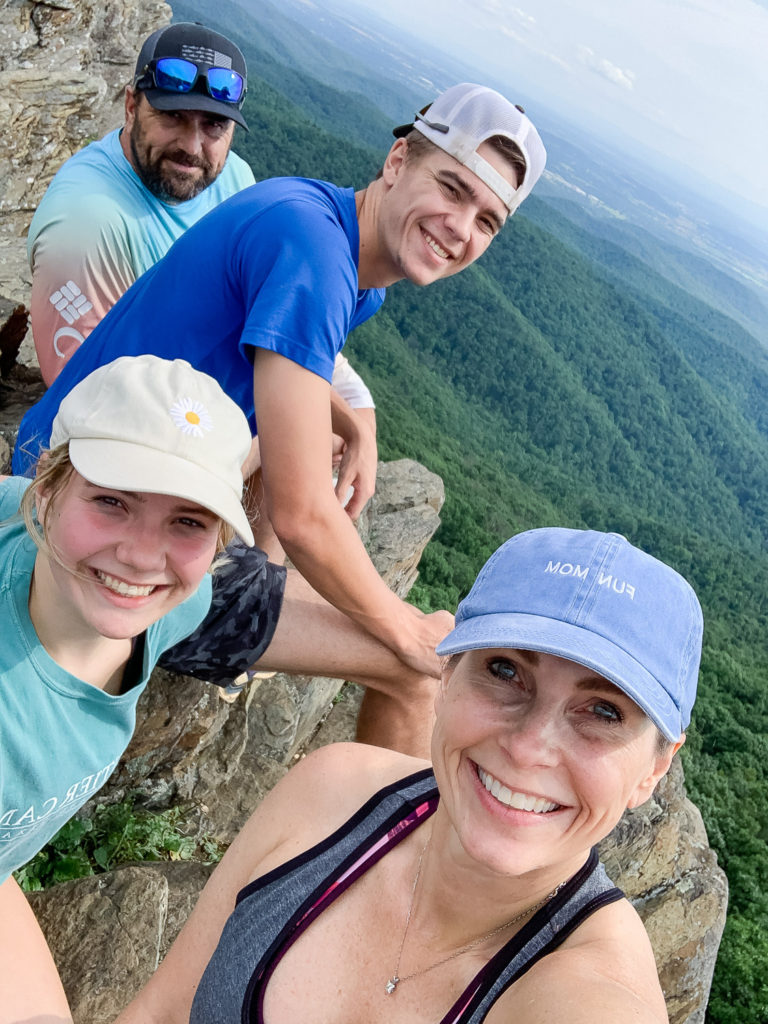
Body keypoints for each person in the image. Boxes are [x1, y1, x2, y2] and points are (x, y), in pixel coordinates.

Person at [14, 82, 547, 755]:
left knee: (312, 438)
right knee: (420, 674)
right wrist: (403, 628)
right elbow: (302, 515)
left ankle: (250, 595)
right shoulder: (315, 253)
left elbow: (289, 354)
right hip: (79, 515)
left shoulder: (323, 228)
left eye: (487, 220)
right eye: (451, 188)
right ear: (398, 160)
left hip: (89, 458)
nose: (460, 228)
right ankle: (392, 855)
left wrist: (355, 420)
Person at [114, 527, 702, 1024]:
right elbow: (161, 1010)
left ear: (655, 766)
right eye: (505, 670)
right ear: (447, 674)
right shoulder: (333, 793)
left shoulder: (592, 996)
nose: (528, 748)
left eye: (603, 712)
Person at [26, 19, 377, 560]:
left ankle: (258, 584)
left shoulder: (232, 178)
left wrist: (357, 417)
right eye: (171, 116)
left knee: (310, 430)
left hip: (196, 414)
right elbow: (89, 410)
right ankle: (251, 592)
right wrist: (296, 428)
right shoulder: (89, 223)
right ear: (130, 106)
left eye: (213, 126)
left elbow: (281, 316)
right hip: (82, 480)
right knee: (300, 443)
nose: (192, 146)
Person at [0, 353, 258, 1021]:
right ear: (49, 487)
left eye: (189, 521)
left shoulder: (173, 602)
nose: (143, 557)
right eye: (112, 501)